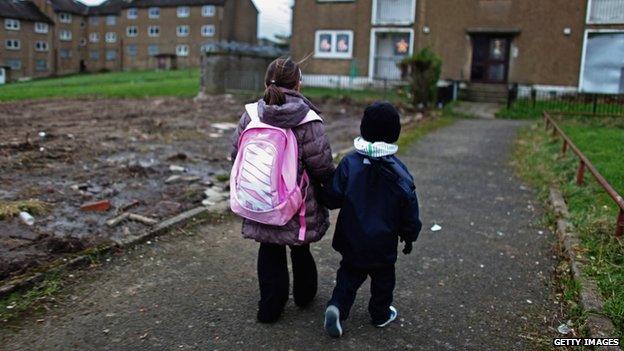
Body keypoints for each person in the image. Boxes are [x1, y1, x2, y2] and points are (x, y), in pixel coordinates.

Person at [230, 58, 334, 323]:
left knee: (269, 250)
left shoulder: (251, 114)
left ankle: (269, 308)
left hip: (260, 198)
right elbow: (321, 165)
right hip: (296, 204)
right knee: (300, 249)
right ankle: (304, 296)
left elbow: (236, 155)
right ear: (298, 83)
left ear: (267, 82)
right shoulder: (308, 119)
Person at [321, 102, 422, 337]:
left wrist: (321, 191)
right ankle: (380, 314)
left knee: (348, 275)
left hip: (352, 240)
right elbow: (410, 208)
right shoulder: (399, 171)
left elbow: (334, 197)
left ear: (363, 128)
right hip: (383, 243)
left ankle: (337, 307)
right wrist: (409, 236)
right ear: (394, 133)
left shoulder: (350, 163)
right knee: (383, 281)